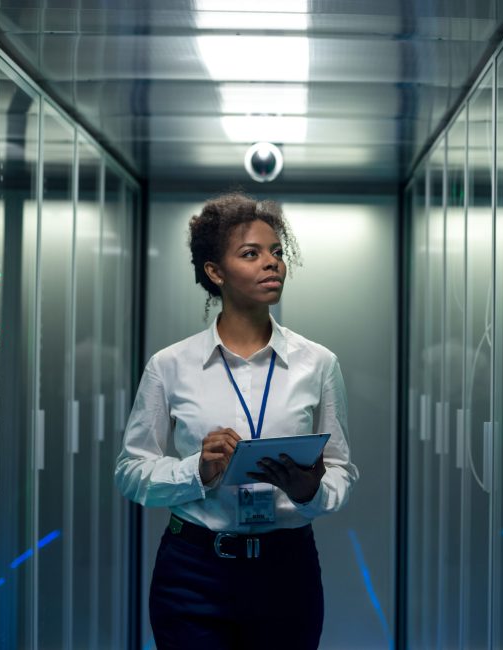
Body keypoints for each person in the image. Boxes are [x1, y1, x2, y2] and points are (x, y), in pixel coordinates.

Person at [115, 193, 358, 649]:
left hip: (287, 571)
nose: (273, 264)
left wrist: (311, 492)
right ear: (215, 272)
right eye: (252, 254)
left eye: (277, 253)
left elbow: (342, 468)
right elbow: (131, 472)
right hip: (193, 572)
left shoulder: (319, 363)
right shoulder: (170, 365)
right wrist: (197, 471)